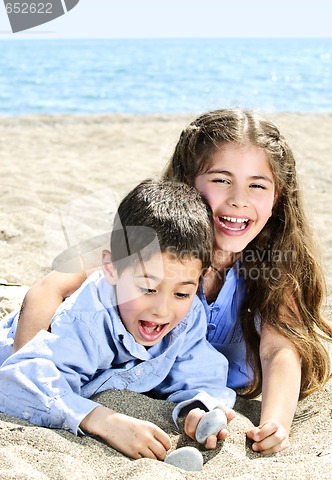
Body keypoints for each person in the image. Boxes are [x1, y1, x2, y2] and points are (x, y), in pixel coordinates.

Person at [12, 108, 332, 454]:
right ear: (187, 182)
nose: (238, 199)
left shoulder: (274, 264)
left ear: (277, 197)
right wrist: (37, 378)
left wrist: (275, 424)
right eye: (221, 180)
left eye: (257, 185)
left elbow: (278, 349)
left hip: (185, 379)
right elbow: (48, 289)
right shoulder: (147, 246)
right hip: (116, 360)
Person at [0, 179, 236, 460]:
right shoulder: (87, 318)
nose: (162, 309)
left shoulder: (188, 314)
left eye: (182, 293)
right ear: (111, 269)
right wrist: (103, 421)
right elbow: (20, 381)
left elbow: (200, 371)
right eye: (147, 288)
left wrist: (198, 408)